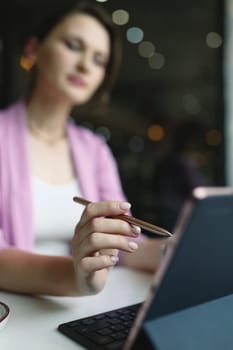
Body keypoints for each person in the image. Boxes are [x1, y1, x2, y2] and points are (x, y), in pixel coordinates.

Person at [0, 0, 163, 297]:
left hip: (77, 306)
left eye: (99, 60)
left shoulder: (94, 149)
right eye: (74, 45)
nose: (86, 65)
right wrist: (75, 275)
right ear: (33, 49)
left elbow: (123, 245)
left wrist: (170, 250)